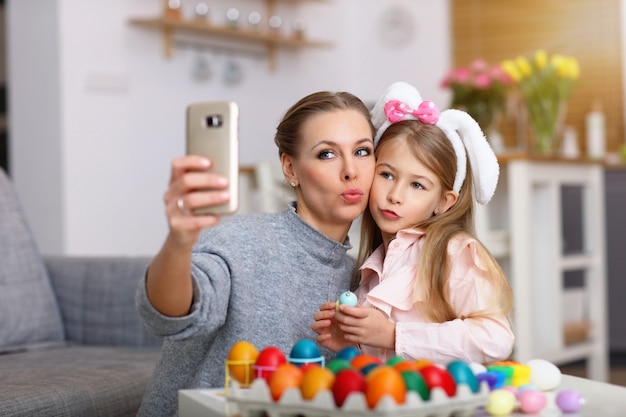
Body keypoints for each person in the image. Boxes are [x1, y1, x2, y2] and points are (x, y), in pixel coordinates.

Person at [135, 90, 376, 416]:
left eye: (362, 151)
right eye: (327, 155)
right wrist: (179, 241)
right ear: (290, 169)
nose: (351, 170)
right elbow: (170, 314)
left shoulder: (363, 278)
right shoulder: (241, 240)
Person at [312, 81, 514, 365]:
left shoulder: (454, 252)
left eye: (417, 185)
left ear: (444, 202)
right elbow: (385, 360)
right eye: (387, 175)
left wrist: (395, 335)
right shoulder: (373, 266)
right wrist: (353, 341)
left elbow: (495, 339)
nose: (395, 195)